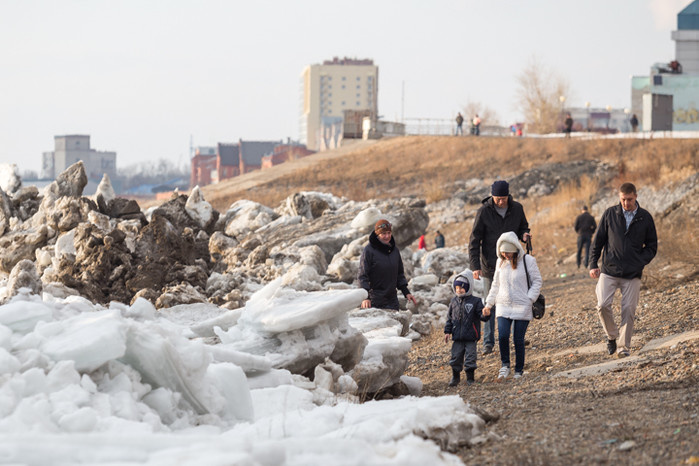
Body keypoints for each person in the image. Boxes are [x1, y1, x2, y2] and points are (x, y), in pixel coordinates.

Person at [589, 183, 657, 358]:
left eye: (629, 199)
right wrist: (593, 264)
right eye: (623, 199)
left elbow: (652, 246)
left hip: (632, 274)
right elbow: (598, 242)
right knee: (602, 305)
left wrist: (639, 262)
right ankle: (612, 336)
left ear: (636, 196)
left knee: (628, 309)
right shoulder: (610, 214)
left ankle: (623, 347)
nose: (626, 203)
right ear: (619, 197)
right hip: (609, 270)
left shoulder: (645, 217)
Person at [469, 180, 531, 355]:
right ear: (492, 196)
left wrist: (525, 235)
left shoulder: (517, 208)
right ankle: (488, 342)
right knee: (491, 301)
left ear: (508, 196)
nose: (501, 202)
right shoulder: (483, 212)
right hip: (490, 264)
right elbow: (474, 241)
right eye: (498, 199)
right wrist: (475, 266)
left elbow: (523, 227)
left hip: (513, 262)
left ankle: (516, 336)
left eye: (503, 198)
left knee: (516, 297)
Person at [483, 231, 542, 380]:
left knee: (518, 339)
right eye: (503, 253)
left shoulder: (528, 261)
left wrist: (529, 299)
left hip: (522, 305)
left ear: (515, 249)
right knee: (502, 336)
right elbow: (495, 285)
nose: (505, 256)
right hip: (503, 304)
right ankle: (505, 365)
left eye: (508, 253)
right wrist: (489, 304)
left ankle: (519, 369)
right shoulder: (500, 262)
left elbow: (537, 281)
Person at [358, 219, 418, 310]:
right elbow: (362, 275)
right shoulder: (369, 250)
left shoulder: (394, 250)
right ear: (377, 234)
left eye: (389, 233)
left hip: (392, 300)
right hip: (374, 301)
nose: (387, 236)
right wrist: (365, 298)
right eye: (383, 234)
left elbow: (399, 274)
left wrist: (406, 292)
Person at [444, 272, 488, 386]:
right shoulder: (453, 302)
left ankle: (470, 378)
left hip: (471, 337)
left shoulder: (476, 301)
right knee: (455, 357)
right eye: (457, 287)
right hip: (457, 337)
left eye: (462, 288)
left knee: (470, 358)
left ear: (469, 287)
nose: (459, 290)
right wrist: (447, 332)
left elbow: (482, 316)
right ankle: (455, 377)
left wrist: (486, 314)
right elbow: (449, 318)